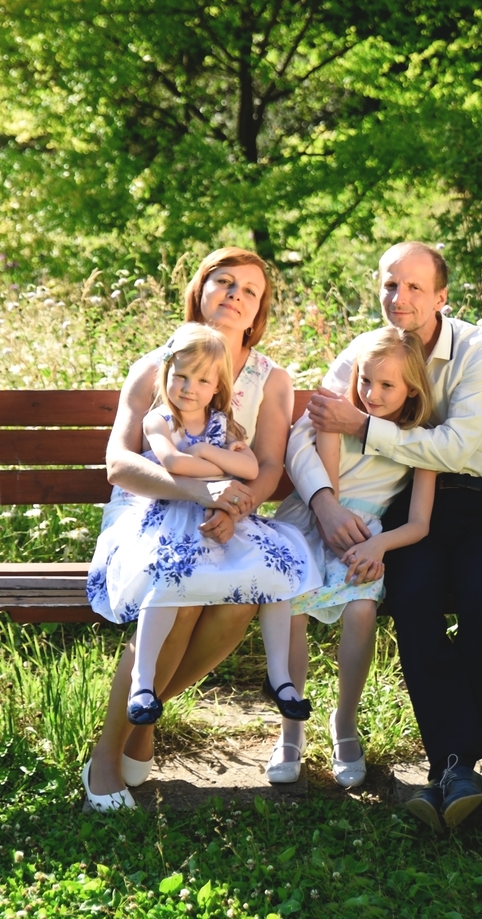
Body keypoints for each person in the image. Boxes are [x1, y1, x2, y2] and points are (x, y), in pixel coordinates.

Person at [282, 240, 482, 830]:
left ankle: (452, 765)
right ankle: (457, 770)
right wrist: (324, 503)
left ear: (442, 296)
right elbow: (307, 432)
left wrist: (363, 425)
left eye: (415, 286)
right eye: (391, 284)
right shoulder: (368, 351)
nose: (400, 297)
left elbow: (455, 448)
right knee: (413, 599)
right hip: (408, 511)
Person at [83, 247, 315, 812]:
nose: (235, 294)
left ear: (258, 310)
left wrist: (234, 507)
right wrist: (197, 492)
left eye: (249, 290)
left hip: (226, 514)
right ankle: (107, 757)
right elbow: (119, 463)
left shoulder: (271, 379)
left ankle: (145, 717)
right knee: (180, 590)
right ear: (200, 290)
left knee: (242, 599)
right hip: (147, 511)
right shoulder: (159, 365)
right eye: (224, 282)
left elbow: (266, 466)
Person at [271, 327, 436, 787]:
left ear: (412, 389)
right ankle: (290, 727)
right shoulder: (336, 422)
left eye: (387, 385)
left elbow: (419, 524)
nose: (372, 394)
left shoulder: (420, 441)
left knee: (362, 609)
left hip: (367, 537)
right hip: (314, 523)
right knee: (290, 608)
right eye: (365, 380)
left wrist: (378, 545)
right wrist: (337, 532)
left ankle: (345, 721)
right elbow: (331, 498)